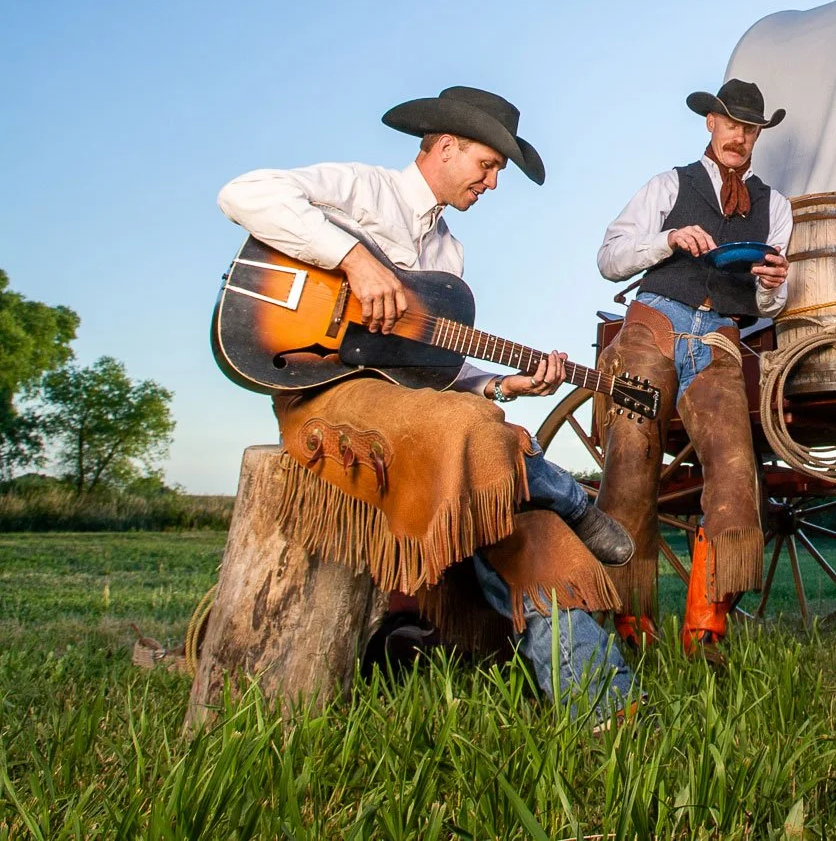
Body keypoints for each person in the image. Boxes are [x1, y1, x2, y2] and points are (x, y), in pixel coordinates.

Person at [217, 85, 636, 717]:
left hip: (412, 409)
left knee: (491, 446)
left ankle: (603, 709)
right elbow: (242, 193)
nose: (492, 184)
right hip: (325, 390)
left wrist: (500, 385)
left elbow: (429, 371)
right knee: (474, 427)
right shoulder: (364, 189)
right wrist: (354, 259)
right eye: (488, 167)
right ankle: (572, 497)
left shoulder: (447, 255)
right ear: (446, 145)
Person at [595, 79, 791, 650]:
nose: (740, 137)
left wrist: (774, 288)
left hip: (720, 339)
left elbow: (767, 303)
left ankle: (706, 627)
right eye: (731, 124)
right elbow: (609, 258)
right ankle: (630, 621)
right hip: (652, 325)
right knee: (631, 456)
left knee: (734, 466)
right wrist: (668, 239)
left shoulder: (775, 207)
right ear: (711, 123)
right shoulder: (668, 185)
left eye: (750, 129)